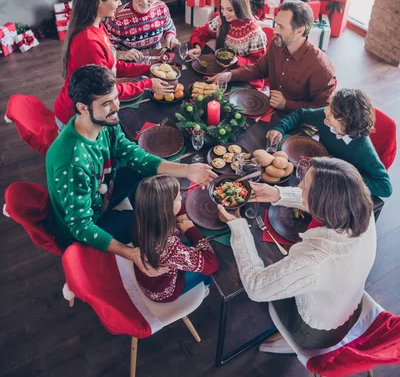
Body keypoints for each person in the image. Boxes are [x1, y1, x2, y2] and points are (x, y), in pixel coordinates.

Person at [47, 65, 216, 271]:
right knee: (152, 223)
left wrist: (188, 170)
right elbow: (81, 226)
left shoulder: (105, 121)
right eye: (107, 103)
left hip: (104, 194)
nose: (116, 107)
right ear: (83, 108)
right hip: (92, 223)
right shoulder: (72, 162)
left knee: (142, 169)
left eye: (116, 98)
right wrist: (130, 253)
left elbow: (134, 156)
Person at [218, 157, 376, 353]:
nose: (299, 184)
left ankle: (289, 340)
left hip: (316, 331)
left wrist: (238, 225)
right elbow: (324, 202)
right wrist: (276, 193)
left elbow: (256, 288)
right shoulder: (360, 207)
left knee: (268, 272)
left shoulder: (315, 261)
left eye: (305, 185)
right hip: (350, 302)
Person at [54, 0, 173, 131]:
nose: (120, 3)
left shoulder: (97, 25)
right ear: (98, 2)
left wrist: (148, 69)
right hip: (78, 119)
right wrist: (148, 83)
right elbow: (108, 91)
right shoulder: (88, 42)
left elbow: (111, 66)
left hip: (95, 107)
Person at [208, 0, 336, 111]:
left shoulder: (320, 67)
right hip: (271, 110)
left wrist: (286, 104)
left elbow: (322, 109)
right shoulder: (277, 44)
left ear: (299, 31)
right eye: (276, 24)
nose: (275, 31)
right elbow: (259, 68)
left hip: (297, 123)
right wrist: (230, 75)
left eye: (281, 27)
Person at [267, 88, 392, 198]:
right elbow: (301, 114)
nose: (326, 111)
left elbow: (385, 187)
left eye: (331, 111)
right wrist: (279, 128)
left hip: (335, 187)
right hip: (316, 166)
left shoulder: (363, 148)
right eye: (329, 106)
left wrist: (343, 174)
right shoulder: (325, 117)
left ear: (345, 123)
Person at [133, 174, 219, 302]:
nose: (180, 197)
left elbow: (175, 209)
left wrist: (180, 213)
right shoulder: (169, 247)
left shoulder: (143, 217)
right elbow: (211, 264)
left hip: (151, 277)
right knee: (213, 269)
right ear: (166, 208)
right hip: (164, 291)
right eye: (177, 198)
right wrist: (191, 230)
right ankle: (205, 286)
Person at [105, 0, 179, 59]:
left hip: (157, 59)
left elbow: (169, 27)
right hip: (131, 64)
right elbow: (108, 50)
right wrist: (123, 54)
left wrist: (170, 36)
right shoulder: (116, 17)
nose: (144, 1)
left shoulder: (162, 8)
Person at [188, 0, 266, 64]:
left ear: (241, 8)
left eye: (230, 10)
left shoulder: (254, 31)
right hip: (220, 68)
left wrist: (237, 60)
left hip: (241, 74)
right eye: (222, 8)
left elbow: (258, 64)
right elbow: (200, 33)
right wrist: (198, 47)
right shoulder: (221, 20)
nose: (224, 13)